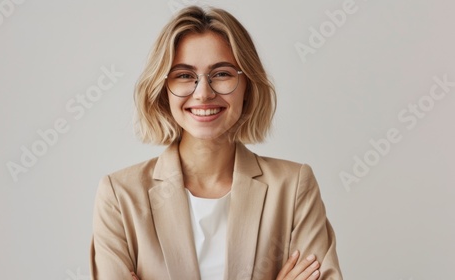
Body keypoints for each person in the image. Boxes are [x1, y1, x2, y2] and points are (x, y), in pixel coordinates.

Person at [90, 5, 343, 280]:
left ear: (247, 86)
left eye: (222, 74)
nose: (203, 93)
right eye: (185, 75)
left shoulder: (293, 187)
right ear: (164, 90)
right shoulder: (120, 195)